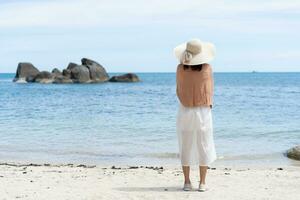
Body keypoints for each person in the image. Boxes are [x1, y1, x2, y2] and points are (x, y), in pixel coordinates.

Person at [174, 39, 217, 192]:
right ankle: (202, 183)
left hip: (185, 110)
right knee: (204, 145)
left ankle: (186, 182)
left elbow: (178, 90)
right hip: (203, 110)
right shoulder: (207, 68)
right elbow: (209, 90)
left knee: (185, 145)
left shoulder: (180, 69)